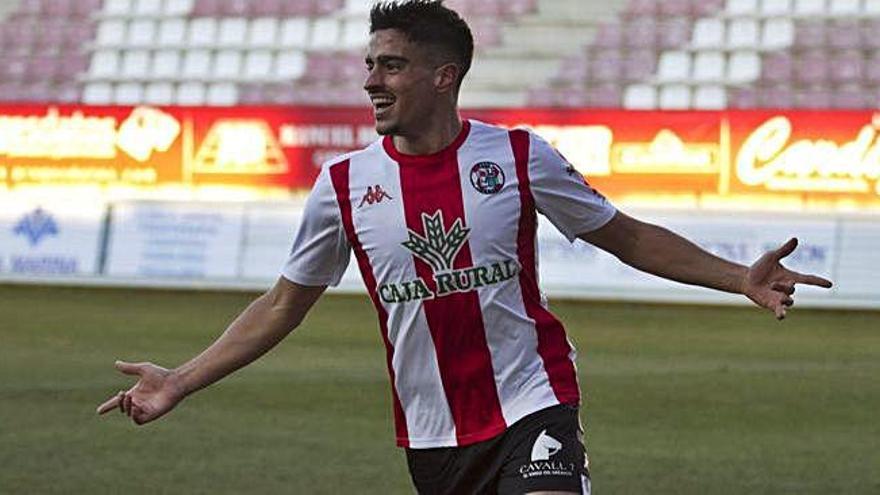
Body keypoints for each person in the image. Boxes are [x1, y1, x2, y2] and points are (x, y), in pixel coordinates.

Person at [97, 1, 833, 493]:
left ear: (443, 76)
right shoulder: (344, 184)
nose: (370, 81)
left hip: (533, 404)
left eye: (390, 65)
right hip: (431, 432)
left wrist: (739, 276)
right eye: (370, 65)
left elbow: (626, 234)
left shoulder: (518, 156)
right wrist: (181, 379)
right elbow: (286, 303)